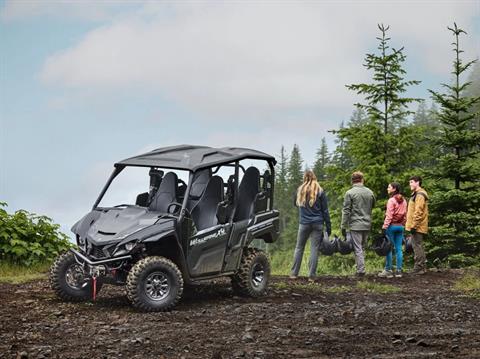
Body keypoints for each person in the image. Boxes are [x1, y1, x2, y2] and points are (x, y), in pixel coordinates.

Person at [290, 170, 331, 281]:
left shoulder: (300, 190)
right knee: (314, 249)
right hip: (317, 223)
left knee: (299, 248)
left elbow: (295, 203)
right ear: (314, 178)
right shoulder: (320, 191)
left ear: (304, 178)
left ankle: (294, 274)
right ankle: (312, 276)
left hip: (304, 223)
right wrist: (328, 226)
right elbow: (325, 210)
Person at [341, 171, 375, 277]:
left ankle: (361, 270)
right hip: (367, 223)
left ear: (352, 180)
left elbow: (346, 210)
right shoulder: (370, 192)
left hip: (355, 224)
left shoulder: (350, 193)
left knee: (358, 247)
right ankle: (361, 267)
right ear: (362, 179)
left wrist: (343, 225)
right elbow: (372, 205)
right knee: (362, 247)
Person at [378, 182, 407, 278]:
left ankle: (388, 270)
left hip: (391, 226)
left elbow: (389, 215)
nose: (387, 188)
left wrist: (384, 227)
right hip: (400, 227)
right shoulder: (404, 200)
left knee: (388, 248)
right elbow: (405, 215)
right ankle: (399, 270)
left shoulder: (391, 200)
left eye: (389, 187)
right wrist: (402, 225)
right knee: (399, 249)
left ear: (394, 189)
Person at [405, 175, 429, 274]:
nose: (410, 184)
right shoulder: (416, 194)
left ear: (417, 182)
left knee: (417, 246)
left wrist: (414, 226)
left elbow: (418, 211)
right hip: (415, 225)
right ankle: (420, 267)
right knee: (416, 245)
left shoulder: (419, 195)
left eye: (411, 182)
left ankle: (419, 268)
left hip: (417, 226)